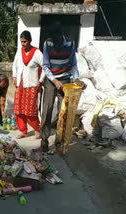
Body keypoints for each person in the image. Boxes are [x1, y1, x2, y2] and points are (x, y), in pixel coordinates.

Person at [40, 22, 86, 152]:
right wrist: (54, 81)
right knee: (47, 111)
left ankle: (59, 142)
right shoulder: (47, 44)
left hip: (65, 79)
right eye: (53, 40)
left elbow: (73, 64)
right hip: (50, 80)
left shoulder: (70, 44)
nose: (55, 43)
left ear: (61, 35)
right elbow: (45, 65)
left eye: (57, 40)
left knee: (63, 113)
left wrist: (76, 79)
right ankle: (44, 140)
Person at [12, 30, 44, 139]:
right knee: (18, 110)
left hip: (31, 85)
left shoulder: (37, 52)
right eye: (21, 42)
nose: (23, 44)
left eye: (25, 42)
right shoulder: (19, 52)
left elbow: (45, 66)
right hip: (20, 85)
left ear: (30, 40)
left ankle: (37, 129)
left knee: (30, 111)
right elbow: (15, 64)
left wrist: (41, 80)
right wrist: (14, 76)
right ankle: (23, 131)